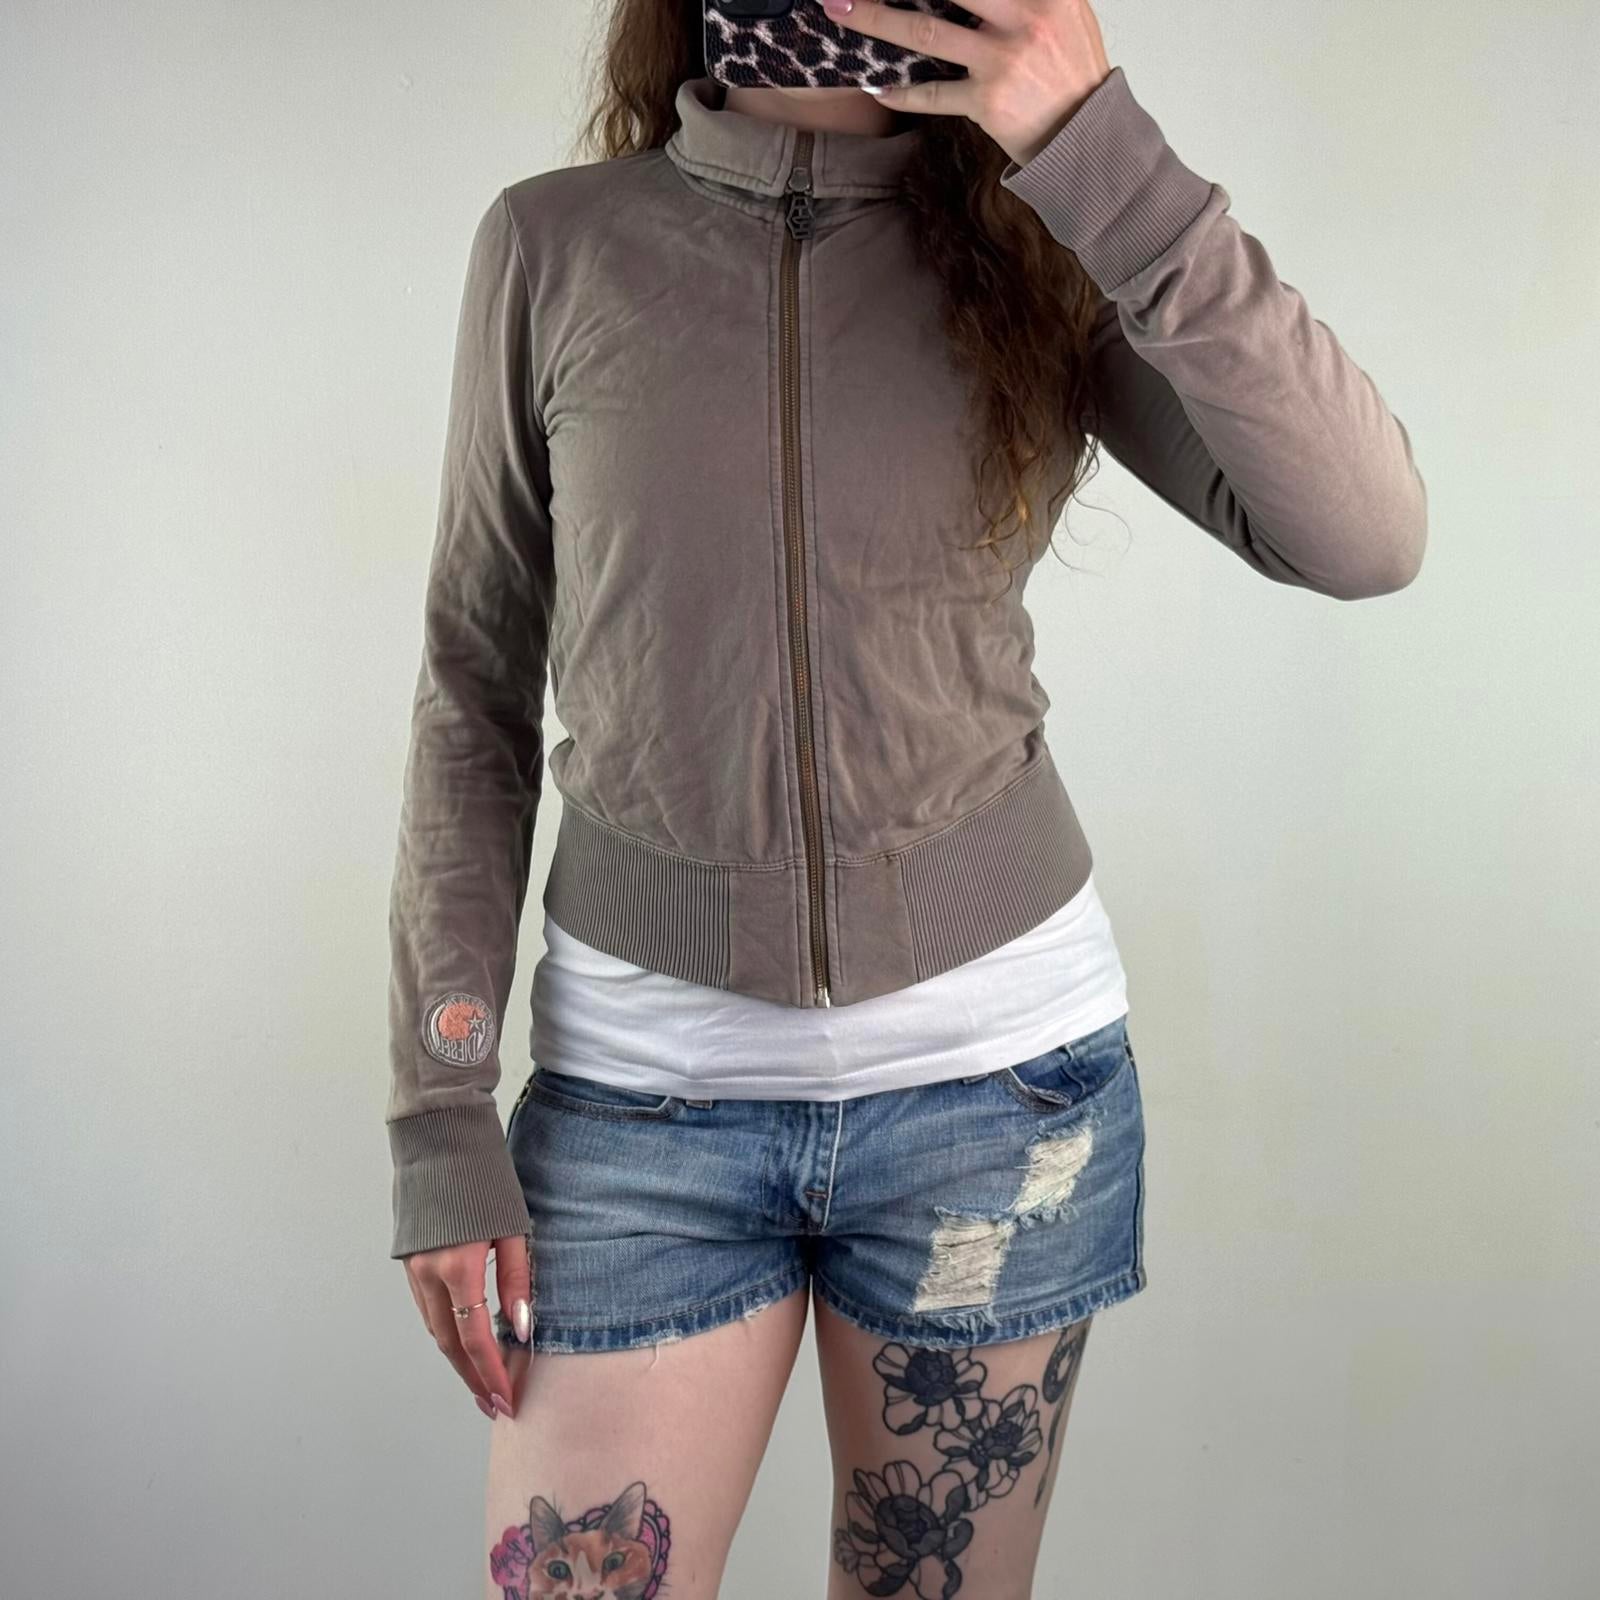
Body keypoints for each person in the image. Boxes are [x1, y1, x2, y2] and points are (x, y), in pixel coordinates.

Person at [383, 1, 1427, 1594]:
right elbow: (475, 690)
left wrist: (1098, 149)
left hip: (996, 1095)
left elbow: (1363, 535)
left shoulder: (1050, 245)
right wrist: (439, 1103)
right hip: (640, 1110)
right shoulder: (556, 246)